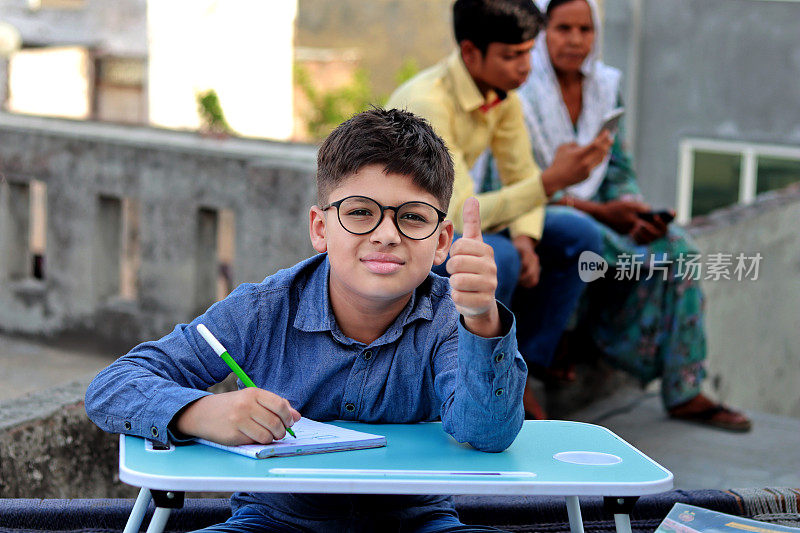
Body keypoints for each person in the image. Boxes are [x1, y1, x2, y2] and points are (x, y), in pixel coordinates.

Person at [85, 108, 527, 532]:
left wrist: (482, 318)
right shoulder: (263, 310)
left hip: (417, 523)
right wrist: (201, 412)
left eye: (412, 217)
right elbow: (112, 387)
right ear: (320, 228)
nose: (387, 234)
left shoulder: (452, 320)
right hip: (270, 522)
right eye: (359, 212)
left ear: (441, 241)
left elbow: (487, 432)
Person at [516, 0, 751, 431]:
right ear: (542, 31)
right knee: (587, 238)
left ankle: (686, 388)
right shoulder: (521, 88)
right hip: (537, 212)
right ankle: (566, 346)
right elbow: (521, 181)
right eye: (562, 27)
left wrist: (636, 210)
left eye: (585, 30)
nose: (575, 40)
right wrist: (607, 213)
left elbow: (617, 166)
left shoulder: (606, 86)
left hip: (601, 213)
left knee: (678, 247)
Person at [386, 0, 612, 418]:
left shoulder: (500, 94)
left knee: (580, 237)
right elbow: (455, 212)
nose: (524, 66)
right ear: (472, 53)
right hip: (408, 231)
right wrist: (552, 182)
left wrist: (527, 237)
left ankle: (528, 367)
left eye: (528, 52)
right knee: (499, 257)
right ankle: (487, 372)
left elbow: (519, 171)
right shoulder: (429, 102)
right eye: (511, 56)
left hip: (452, 221)